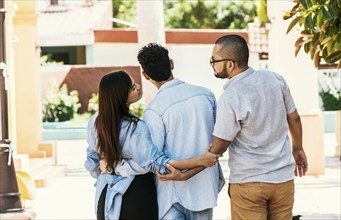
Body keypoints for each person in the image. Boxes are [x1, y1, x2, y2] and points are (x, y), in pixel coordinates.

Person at [84, 70, 219, 220]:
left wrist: (110, 171)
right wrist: (200, 160)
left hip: (106, 198)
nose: (139, 87)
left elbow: (91, 162)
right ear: (121, 96)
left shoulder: (95, 122)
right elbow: (157, 163)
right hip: (136, 197)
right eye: (133, 88)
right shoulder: (134, 127)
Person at [207, 34, 308, 219]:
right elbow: (294, 118)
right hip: (283, 180)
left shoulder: (231, 96)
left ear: (230, 64)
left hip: (248, 184)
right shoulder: (275, 80)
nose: (212, 63)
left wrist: (199, 157)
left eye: (214, 60)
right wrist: (298, 148)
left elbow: (220, 145)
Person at [137, 43, 225, 220]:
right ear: (171, 64)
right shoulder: (205, 95)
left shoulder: (153, 110)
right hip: (204, 190)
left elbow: (156, 160)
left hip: (170, 196)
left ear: (145, 76)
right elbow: (218, 144)